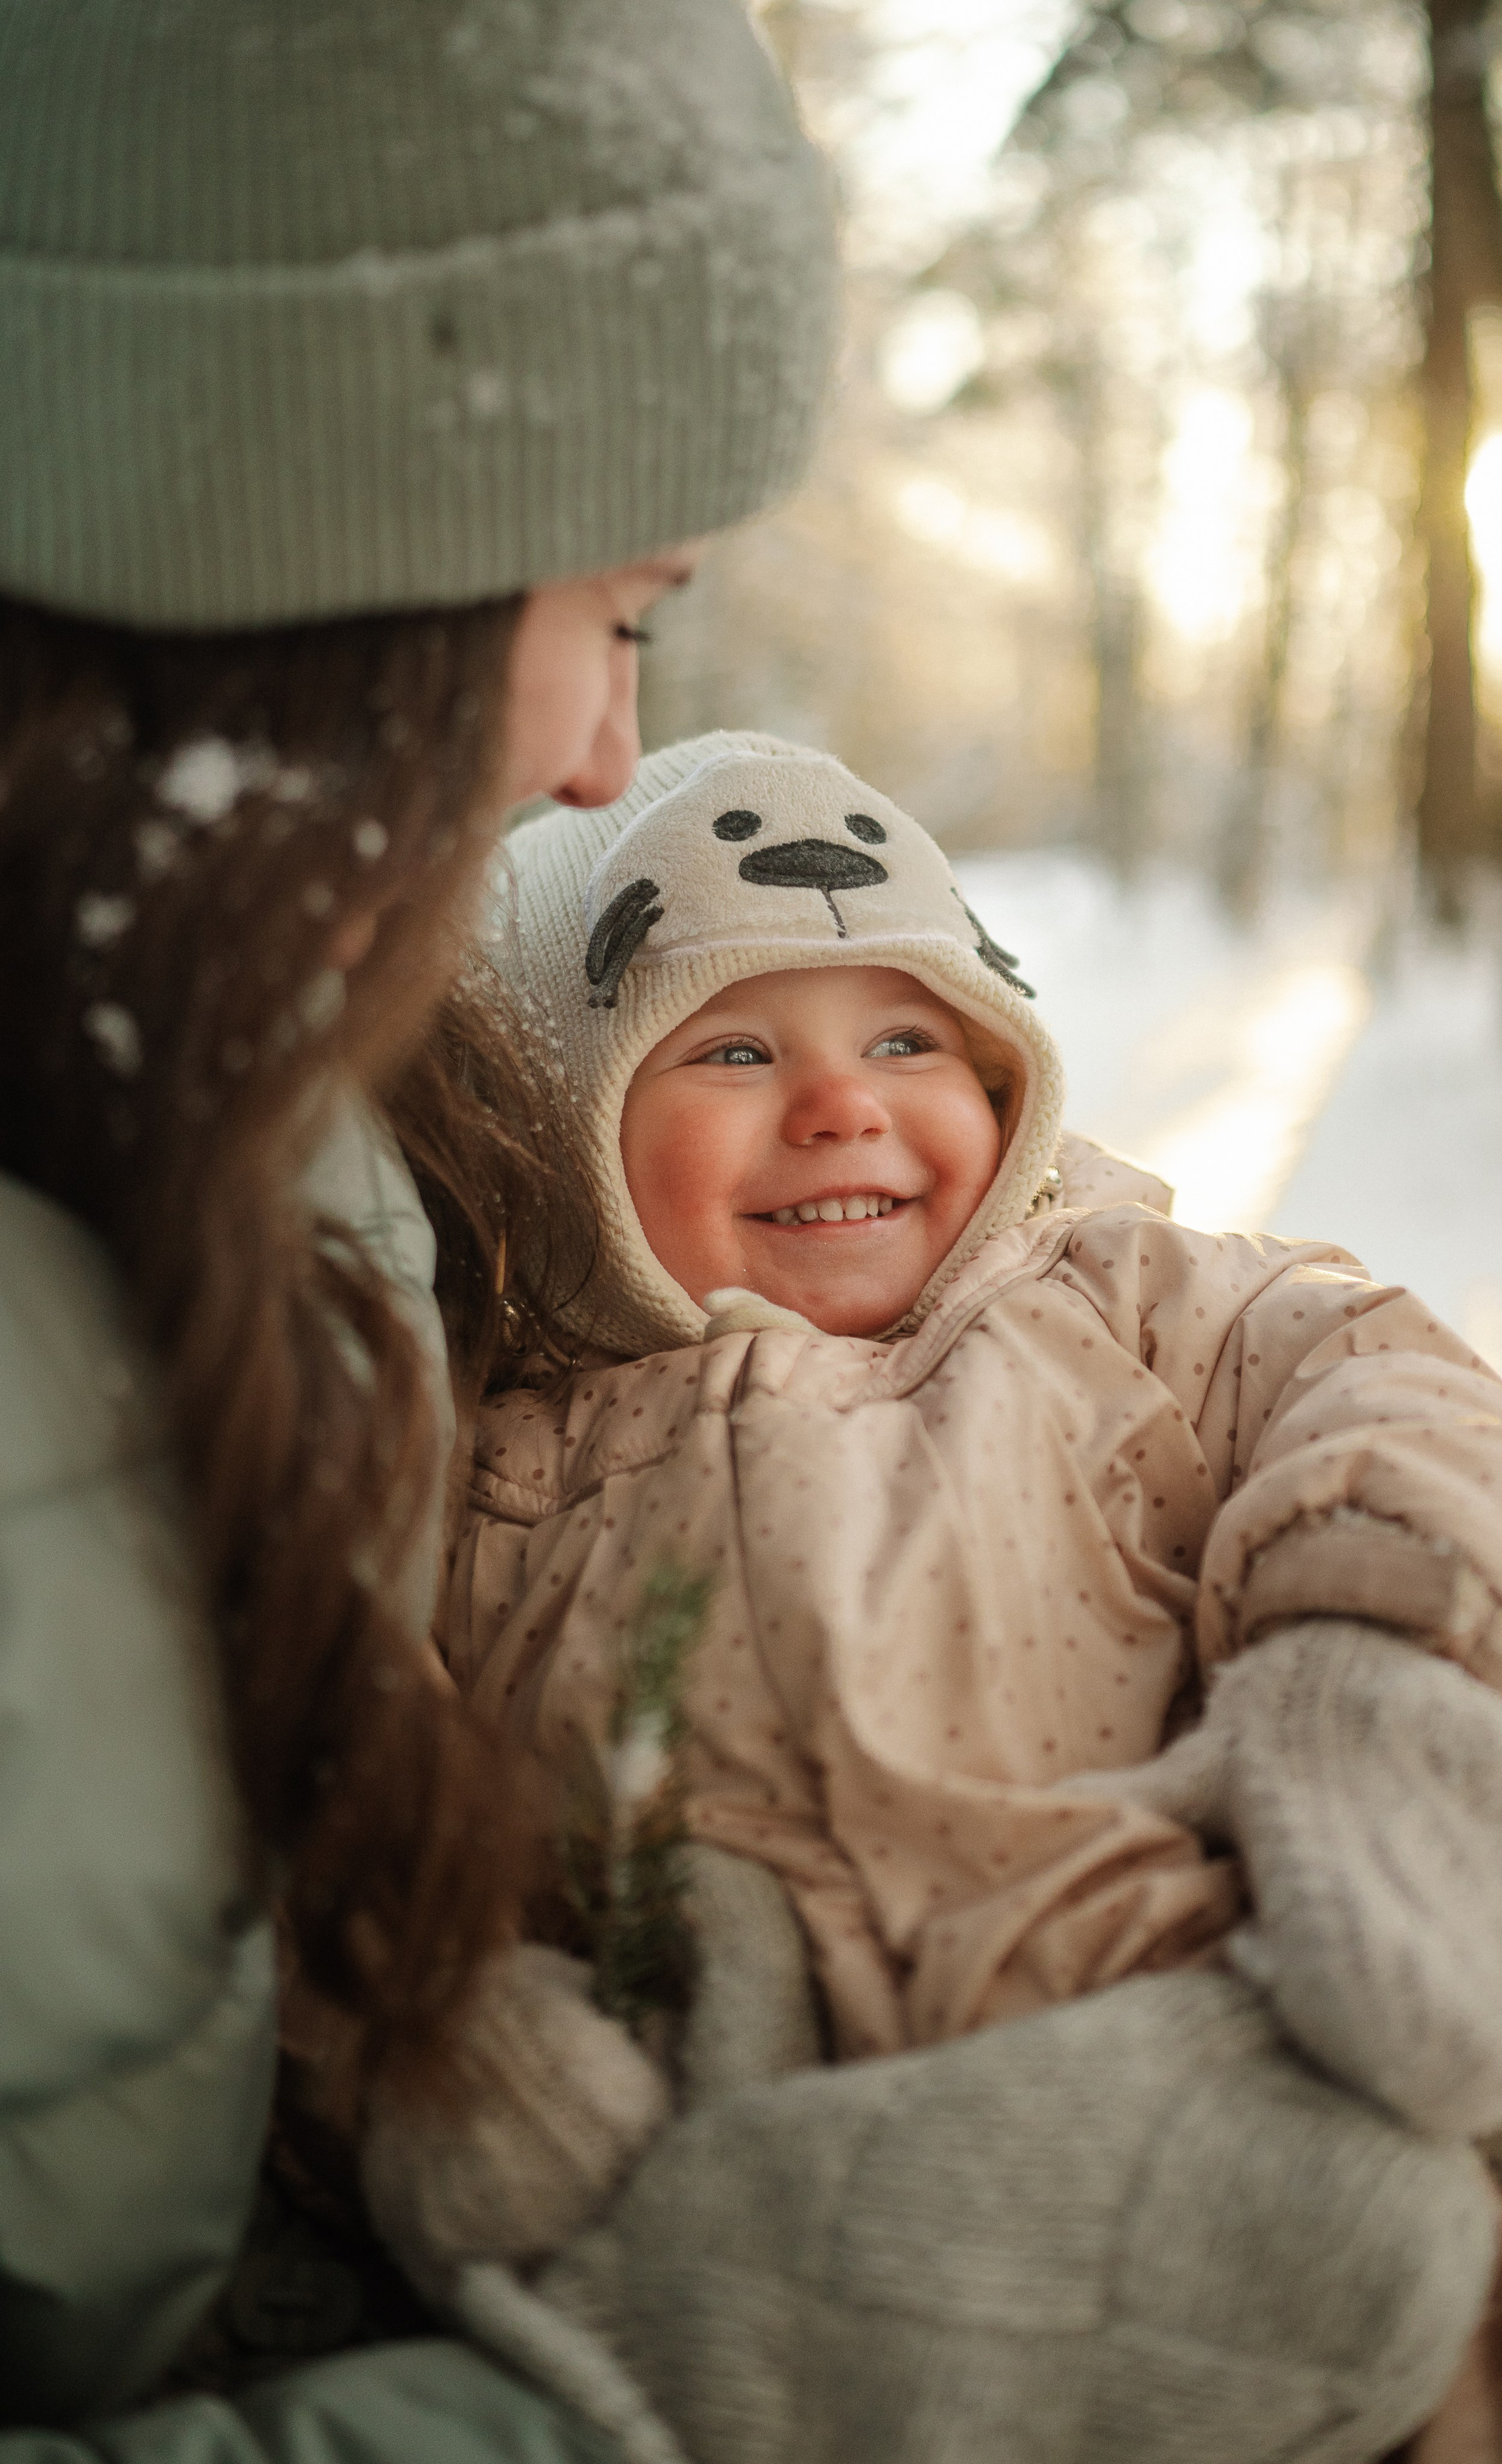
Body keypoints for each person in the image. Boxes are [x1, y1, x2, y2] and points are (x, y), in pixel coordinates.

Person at [394, 732, 1502, 2464]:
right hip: (845, 2233)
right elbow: (347, 1782)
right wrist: (459, 2037)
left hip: (1225, 2031)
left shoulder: (1113, 1296)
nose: (841, 1105)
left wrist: (1381, 1674)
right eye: (735, 1048)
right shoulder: (493, 1470)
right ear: (563, 1131)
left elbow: (1386, 1380)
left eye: (909, 1037)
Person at [0, 0, 834, 2450]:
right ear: (303, 565)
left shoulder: (273, 1104)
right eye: (615, 605)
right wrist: (724, 2392)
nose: (606, 749)